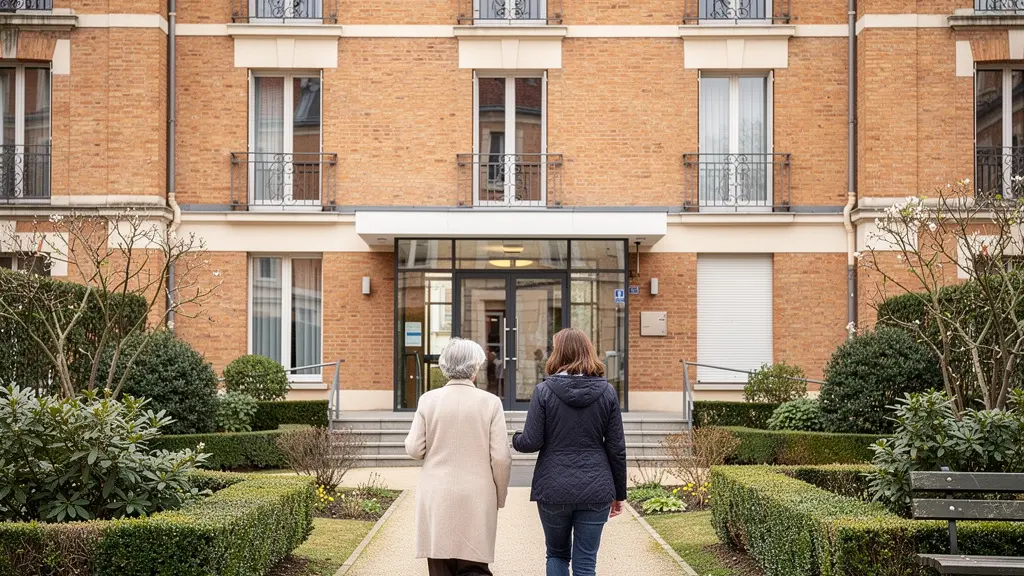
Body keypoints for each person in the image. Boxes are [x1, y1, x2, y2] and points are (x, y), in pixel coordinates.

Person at [512, 328, 627, 576]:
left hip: (553, 488)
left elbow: (531, 441)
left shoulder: (544, 391)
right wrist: (619, 493)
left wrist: (514, 439)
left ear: (559, 353)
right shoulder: (607, 392)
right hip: (596, 487)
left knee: (556, 554)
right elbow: (616, 448)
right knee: (586, 562)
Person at [405, 338, 513, 576]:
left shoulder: (428, 400)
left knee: (440, 564)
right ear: (474, 368)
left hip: (436, 491)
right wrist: (500, 495)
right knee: (474, 565)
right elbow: (502, 458)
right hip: (477, 493)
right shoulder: (491, 403)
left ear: (445, 367)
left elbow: (414, 449)